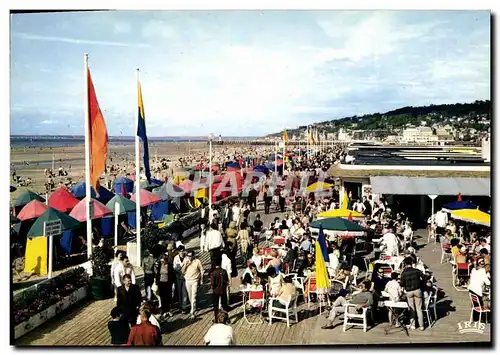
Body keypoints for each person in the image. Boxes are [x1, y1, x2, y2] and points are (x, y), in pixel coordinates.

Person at [400, 257, 424, 331]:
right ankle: (421, 326)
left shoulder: (403, 272)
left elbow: (402, 284)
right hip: (417, 290)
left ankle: (413, 325)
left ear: (405, 264)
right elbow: (425, 277)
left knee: (412, 309)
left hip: (409, 291)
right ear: (412, 263)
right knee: (419, 309)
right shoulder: (417, 271)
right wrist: (420, 283)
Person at [182, 250, 204, 319]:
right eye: (188, 256)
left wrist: (201, 280)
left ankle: (192, 311)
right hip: (187, 280)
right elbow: (182, 271)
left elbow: (201, 270)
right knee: (190, 296)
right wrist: (186, 265)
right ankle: (193, 306)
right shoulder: (185, 260)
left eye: (191, 256)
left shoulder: (197, 261)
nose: (189, 257)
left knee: (194, 296)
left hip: (195, 280)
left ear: (193, 255)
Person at [210, 256, 230, 322]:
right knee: (224, 305)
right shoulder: (224, 271)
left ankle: (216, 319)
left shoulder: (213, 272)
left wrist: (213, 288)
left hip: (216, 291)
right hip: (223, 290)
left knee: (215, 306)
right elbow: (227, 280)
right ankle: (226, 318)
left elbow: (212, 283)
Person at [173, 246, 188, 313]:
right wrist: (179, 270)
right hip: (178, 277)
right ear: (178, 252)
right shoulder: (176, 258)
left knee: (184, 292)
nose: (182, 252)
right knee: (179, 292)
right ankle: (180, 305)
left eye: (183, 251)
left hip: (186, 277)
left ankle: (184, 307)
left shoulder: (187, 257)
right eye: (180, 251)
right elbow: (174, 267)